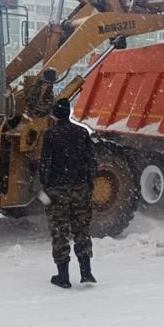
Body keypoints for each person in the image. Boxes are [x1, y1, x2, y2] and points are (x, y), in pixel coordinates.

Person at [39, 98, 97, 288]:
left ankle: (63, 276)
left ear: (55, 114)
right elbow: (91, 161)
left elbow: (45, 164)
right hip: (80, 188)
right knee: (81, 229)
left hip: (57, 190)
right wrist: (89, 184)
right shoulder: (82, 133)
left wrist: (44, 188)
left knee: (60, 232)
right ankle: (86, 272)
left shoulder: (50, 135)